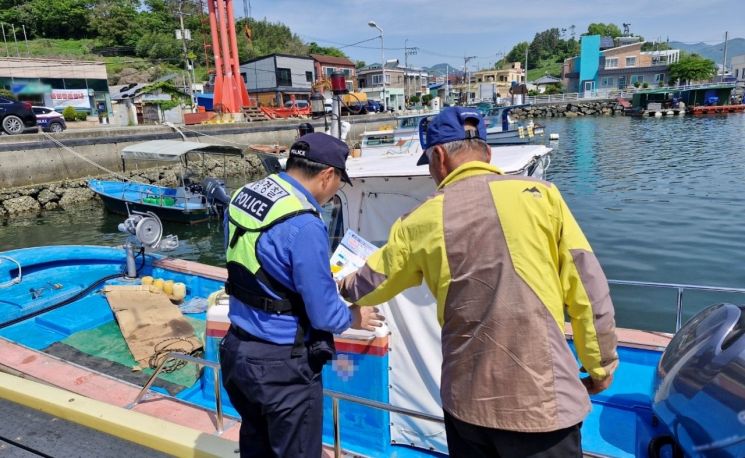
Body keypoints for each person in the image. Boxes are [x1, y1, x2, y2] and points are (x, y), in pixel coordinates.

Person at [339, 107, 618, 457]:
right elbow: (588, 292)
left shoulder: (421, 220)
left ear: (438, 156)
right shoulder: (543, 196)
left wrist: (336, 286)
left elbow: (371, 282)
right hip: (544, 407)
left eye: (428, 163)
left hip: (468, 406)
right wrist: (600, 366)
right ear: (487, 152)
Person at [220, 132, 384, 458]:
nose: (337, 189)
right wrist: (354, 316)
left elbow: (255, 264)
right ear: (326, 175)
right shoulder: (305, 223)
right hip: (282, 366)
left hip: (237, 351)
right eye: (339, 181)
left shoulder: (244, 194)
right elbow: (324, 314)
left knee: (256, 445)